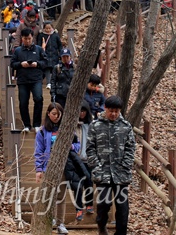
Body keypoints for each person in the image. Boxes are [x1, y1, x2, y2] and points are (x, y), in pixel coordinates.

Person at [86, 95, 136, 235]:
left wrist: (125, 166)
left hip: (121, 174)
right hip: (103, 173)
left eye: (116, 111)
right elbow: (90, 148)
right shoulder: (95, 126)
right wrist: (97, 167)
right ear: (105, 109)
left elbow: (131, 147)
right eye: (111, 111)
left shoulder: (125, 127)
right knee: (103, 205)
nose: (113, 114)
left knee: (122, 208)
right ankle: (101, 226)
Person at [35, 102, 78, 234]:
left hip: (64, 167)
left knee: (61, 196)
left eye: (59, 114)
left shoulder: (67, 129)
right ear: (48, 114)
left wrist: (72, 147)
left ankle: (60, 223)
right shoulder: (42, 132)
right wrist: (39, 169)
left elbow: (78, 145)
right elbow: (39, 151)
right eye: (54, 114)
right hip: (49, 167)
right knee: (49, 195)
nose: (56, 117)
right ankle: (49, 219)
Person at [10, 28, 47, 132]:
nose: (27, 41)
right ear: (22, 38)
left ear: (32, 38)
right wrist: (21, 64)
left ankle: (36, 124)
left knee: (38, 98)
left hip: (36, 79)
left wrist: (37, 64)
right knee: (23, 102)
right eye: (25, 39)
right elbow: (12, 64)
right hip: (23, 80)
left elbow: (45, 62)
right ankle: (26, 124)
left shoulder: (39, 49)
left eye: (29, 38)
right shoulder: (17, 51)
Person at [73, 100, 95, 220]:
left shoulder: (91, 125)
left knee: (89, 183)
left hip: (87, 160)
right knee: (77, 185)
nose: (82, 114)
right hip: (75, 160)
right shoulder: (71, 125)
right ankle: (78, 208)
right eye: (80, 111)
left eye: (84, 111)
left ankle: (90, 204)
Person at [36, 22, 62, 89]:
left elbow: (59, 44)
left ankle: (53, 82)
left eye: (49, 28)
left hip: (54, 54)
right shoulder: (41, 35)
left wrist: (60, 52)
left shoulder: (55, 35)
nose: (48, 30)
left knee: (54, 68)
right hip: (45, 54)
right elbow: (38, 44)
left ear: (52, 28)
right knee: (47, 68)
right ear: (44, 28)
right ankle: (48, 82)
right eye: (46, 28)